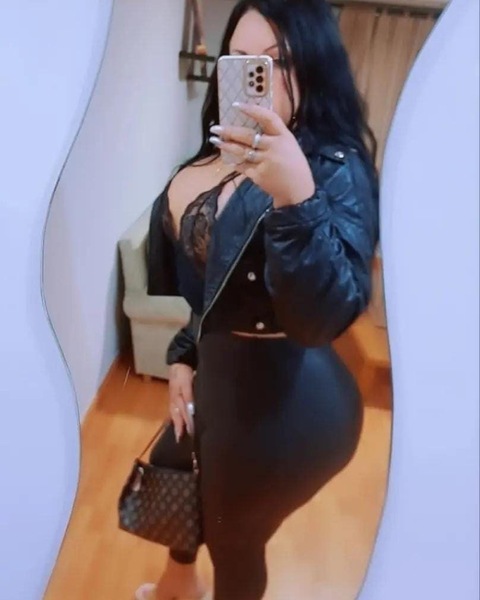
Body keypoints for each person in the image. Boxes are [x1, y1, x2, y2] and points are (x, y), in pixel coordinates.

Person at [135, 0, 379, 598]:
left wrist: (297, 197)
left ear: (313, 67)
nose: (256, 78)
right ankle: (177, 586)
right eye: (241, 60)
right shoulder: (216, 154)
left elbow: (324, 317)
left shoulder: (334, 166)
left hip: (290, 404)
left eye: (277, 62)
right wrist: (183, 357)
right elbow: (212, 288)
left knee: (235, 542)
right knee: (177, 469)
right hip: (222, 379)